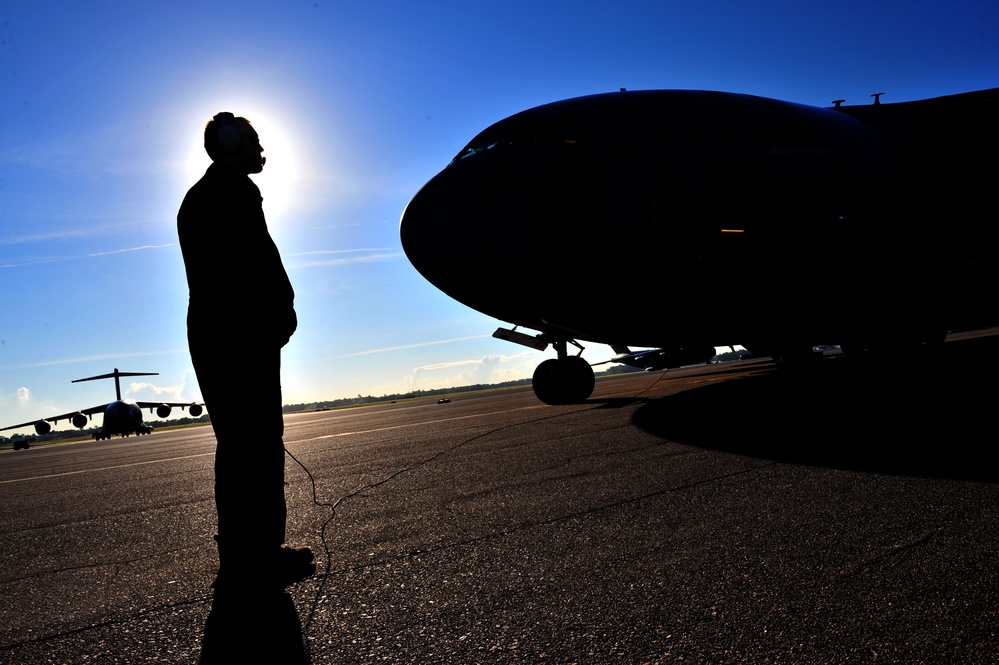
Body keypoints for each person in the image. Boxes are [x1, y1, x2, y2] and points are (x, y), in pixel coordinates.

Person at [178, 112, 314, 590]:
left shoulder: (200, 197)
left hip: (219, 333)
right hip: (239, 335)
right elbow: (252, 263)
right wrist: (277, 315)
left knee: (239, 445)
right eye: (253, 141)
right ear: (231, 143)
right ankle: (258, 556)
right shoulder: (229, 193)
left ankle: (241, 555)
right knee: (254, 444)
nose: (261, 150)